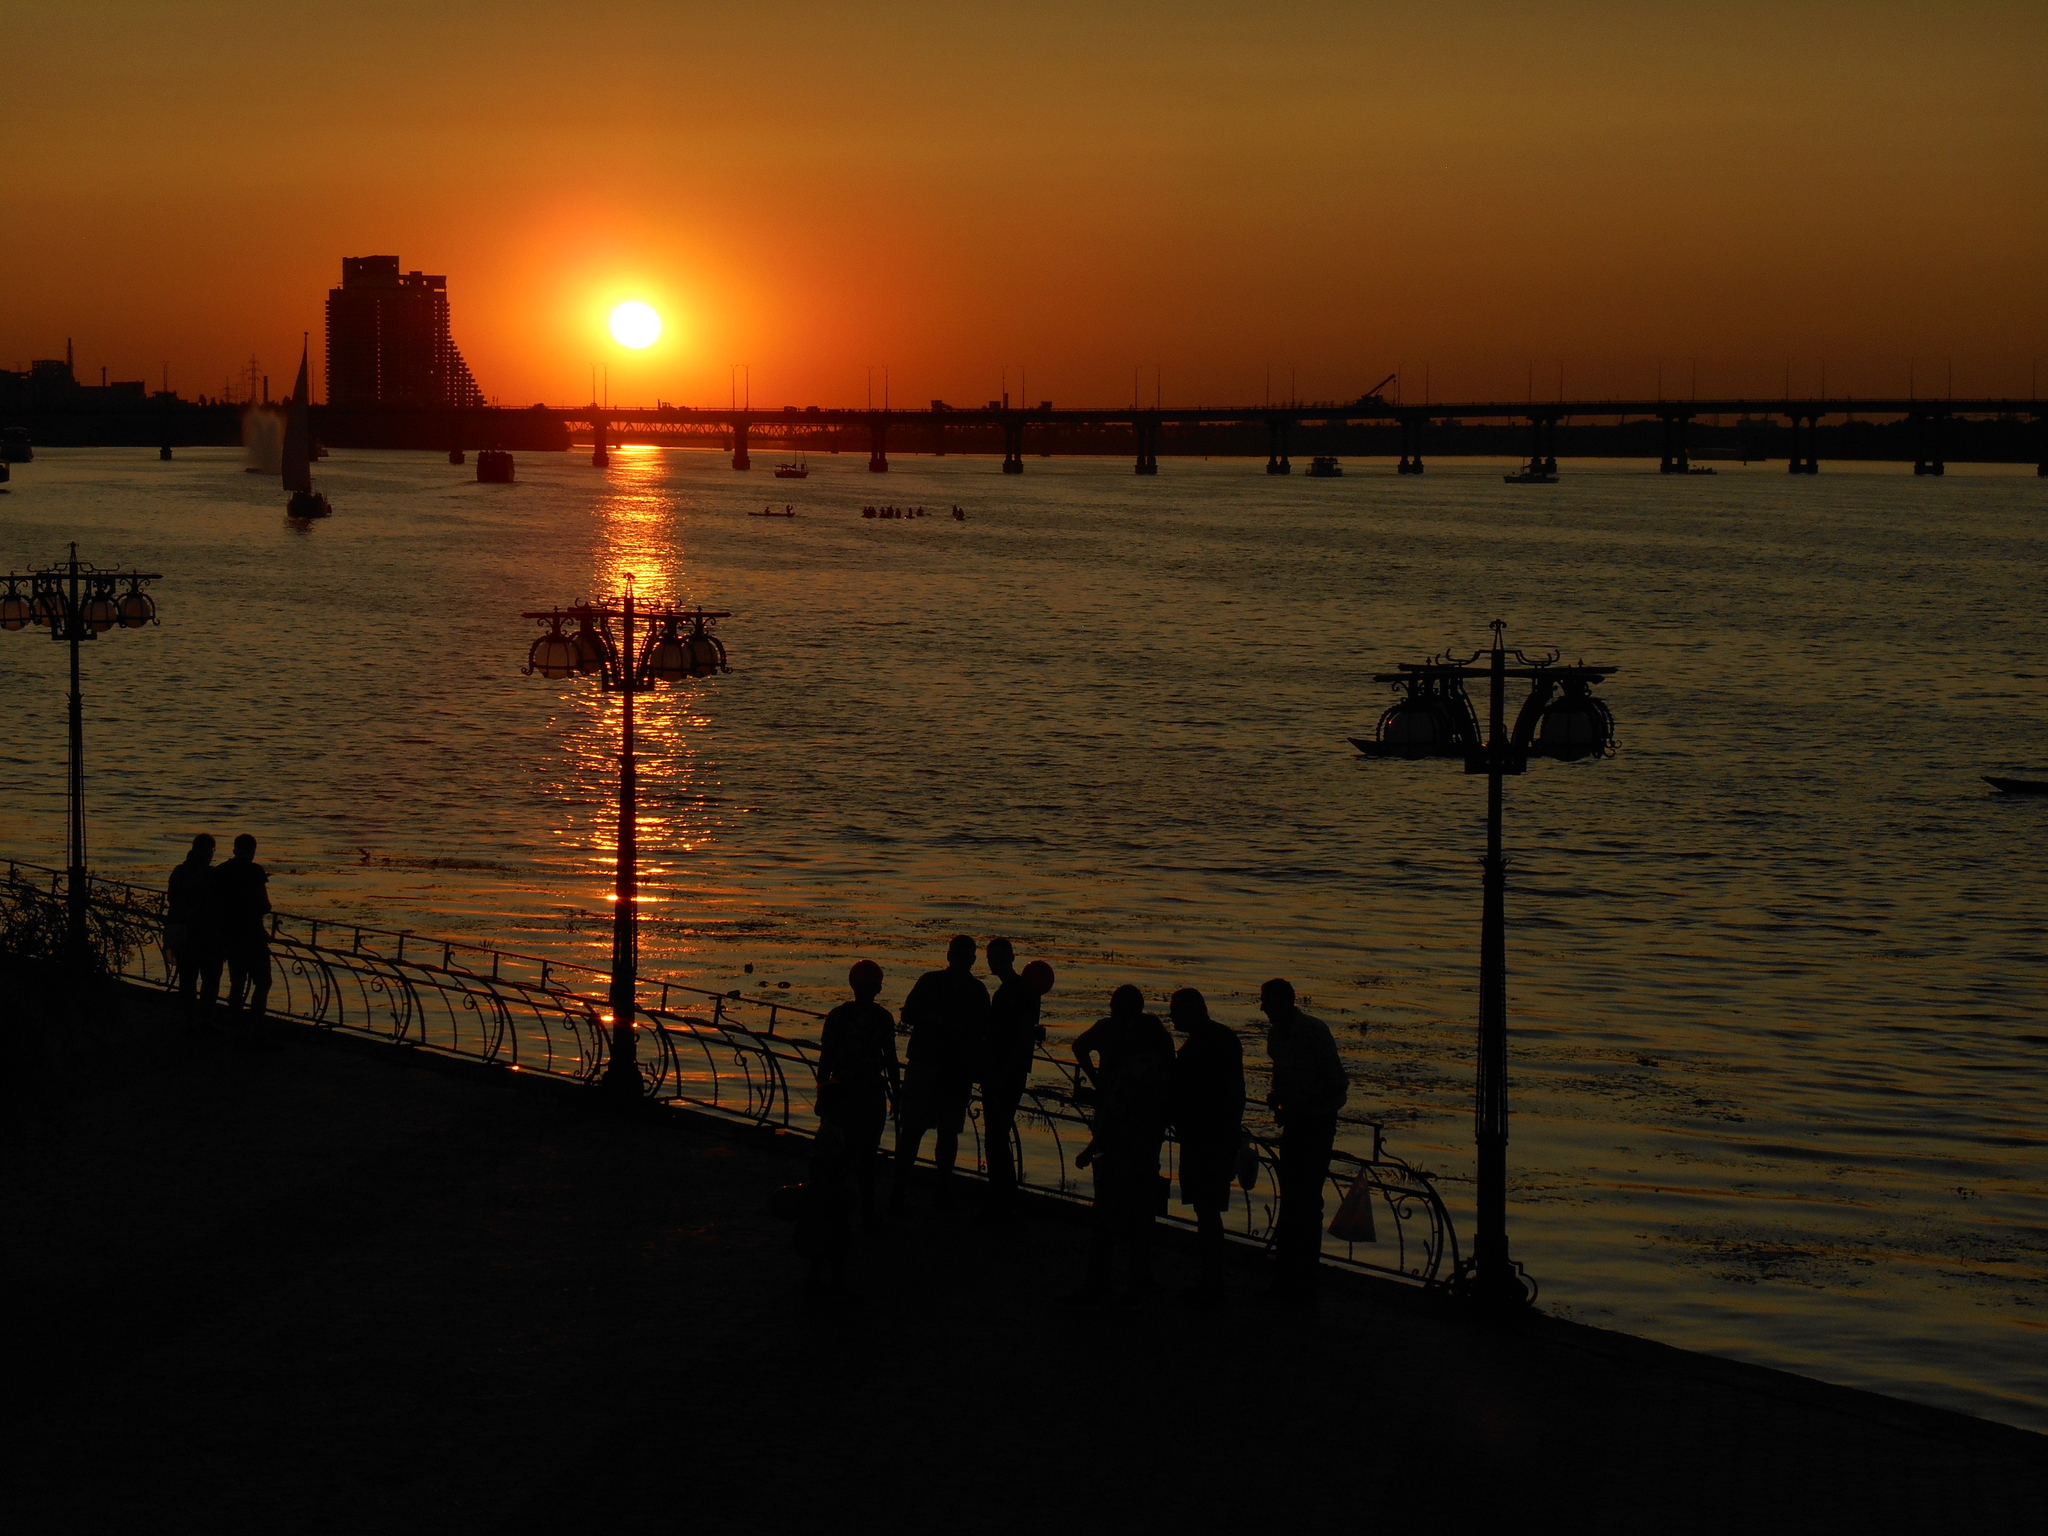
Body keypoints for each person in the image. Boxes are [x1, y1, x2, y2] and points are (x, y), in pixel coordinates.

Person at [1068, 984, 1174, 1303]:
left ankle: (1098, 1284)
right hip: (1146, 1144)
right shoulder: (1159, 1058)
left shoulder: (1132, 1066)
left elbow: (1114, 1118)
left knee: (1107, 1213)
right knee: (1142, 1214)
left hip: (1118, 1140)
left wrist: (1090, 1149)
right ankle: (1138, 1278)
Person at [1260, 977, 1349, 1300]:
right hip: (1296, 1124)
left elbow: (1337, 1083)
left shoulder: (1314, 1032)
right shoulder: (1276, 1036)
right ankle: (1288, 1276)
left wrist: (1301, 1107)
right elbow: (1281, 1075)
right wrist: (1279, 1100)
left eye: (1267, 1002)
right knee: (1293, 1200)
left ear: (1285, 1002)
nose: (1263, 1008)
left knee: (1307, 1202)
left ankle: (1303, 1278)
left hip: (1316, 1125)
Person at [890, 934, 989, 1213]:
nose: (961, 961)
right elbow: (908, 1014)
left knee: (936, 1132)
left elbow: (982, 1029)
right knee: (921, 1131)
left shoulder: (941, 983)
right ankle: (916, 1191)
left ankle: (925, 1192)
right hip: (936, 1066)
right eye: (959, 955)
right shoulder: (953, 986)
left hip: (943, 1067)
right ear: (951, 957)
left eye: (965, 956)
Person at [1169, 987, 1245, 1306]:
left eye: (1176, 1010)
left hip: (1206, 1138)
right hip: (1213, 1136)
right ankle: (1211, 1279)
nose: (1172, 1016)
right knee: (1207, 1210)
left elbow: (1209, 1093)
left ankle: (1212, 1282)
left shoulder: (1203, 1045)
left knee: (1207, 1210)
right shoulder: (1222, 1038)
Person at [815, 960, 900, 1219]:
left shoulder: (838, 1015)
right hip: (870, 1092)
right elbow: (891, 1060)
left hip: (842, 1092)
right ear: (878, 988)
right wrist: (896, 1094)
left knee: (839, 1154)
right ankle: (866, 1210)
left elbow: (826, 1058)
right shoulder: (882, 1018)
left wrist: (822, 1090)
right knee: (866, 1155)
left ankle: (835, 1206)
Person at [979, 941, 1053, 1217]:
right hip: (1001, 1070)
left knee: (996, 1136)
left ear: (1009, 958)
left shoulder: (1017, 991)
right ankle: (1003, 1197)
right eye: (990, 957)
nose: (993, 962)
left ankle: (1003, 1199)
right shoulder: (1015, 991)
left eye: (996, 957)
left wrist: (1004, 1073)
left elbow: (1021, 1036)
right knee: (996, 1136)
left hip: (1005, 1073)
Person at [212, 834, 273, 1033]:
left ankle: (235, 1023)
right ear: (253, 851)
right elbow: (264, 905)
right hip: (253, 934)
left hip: (230, 934)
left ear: (234, 849)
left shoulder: (221, 871)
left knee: (237, 981)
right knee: (263, 983)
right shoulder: (255, 871)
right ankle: (256, 1026)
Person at [165, 833, 222, 1021]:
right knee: (209, 980)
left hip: (187, 933)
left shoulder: (181, 871)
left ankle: (189, 1021)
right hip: (203, 934)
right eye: (210, 850)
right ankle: (203, 1021)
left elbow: (173, 899)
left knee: (189, 980)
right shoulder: (210, 875)